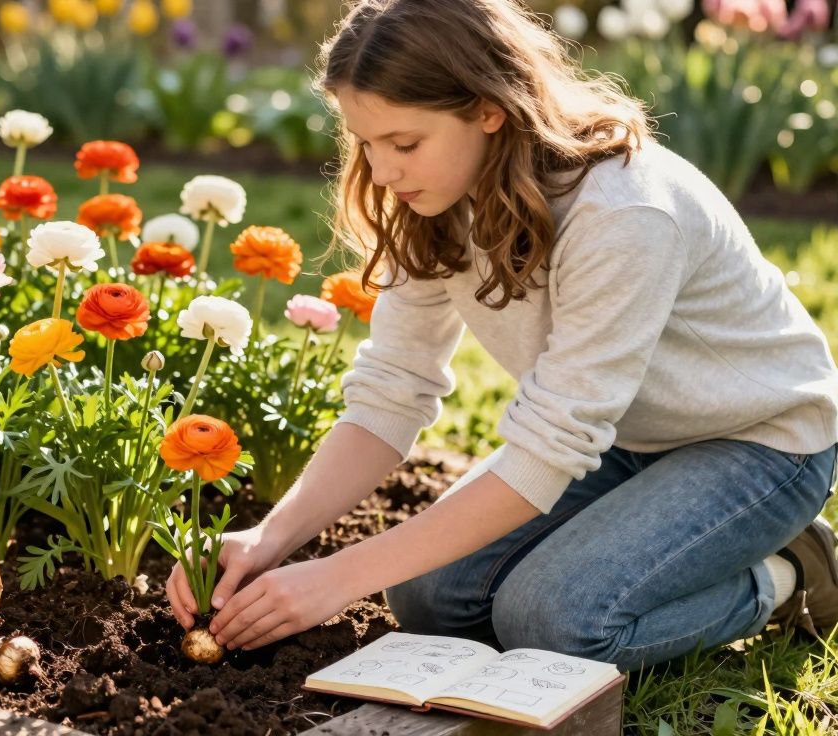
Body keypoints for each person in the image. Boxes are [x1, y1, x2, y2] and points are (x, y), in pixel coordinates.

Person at [165, 0, 838, 672]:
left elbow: (550, 444)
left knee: (552, 622)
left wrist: (337, 577)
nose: (383, 171)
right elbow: (393, 390)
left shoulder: (623, 212)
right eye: (365, 143)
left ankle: (789, 574)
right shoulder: (434, 197)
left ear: (489, 110)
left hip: (760, 444)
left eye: (405, 144)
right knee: (428, 597)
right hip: (622, 438)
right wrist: (269, 538)